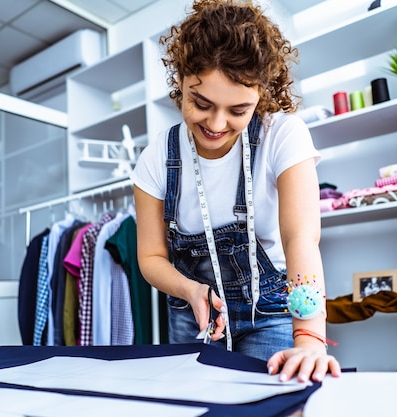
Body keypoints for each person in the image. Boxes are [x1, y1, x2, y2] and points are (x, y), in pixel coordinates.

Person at [131, 0, 341, 383]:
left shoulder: (283, 135)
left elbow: (301, 240)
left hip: (272, 315)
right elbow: (150, 256)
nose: (216, 123)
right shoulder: (155, 159)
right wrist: (189, 289)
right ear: (181, 80)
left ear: (261, 94)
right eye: (201, 103)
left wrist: (310, 336)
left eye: (238, 110)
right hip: (193, 317)